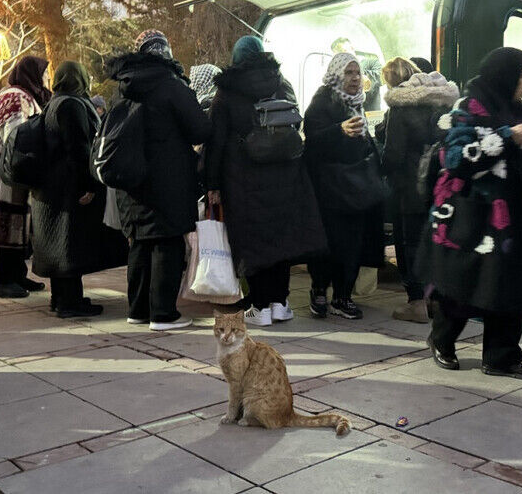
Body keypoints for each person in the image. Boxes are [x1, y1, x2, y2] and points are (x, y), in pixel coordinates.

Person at [418, 48, 522, 380]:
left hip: (511, 219)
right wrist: (506, 137)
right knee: (463, 286)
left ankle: (501, 358)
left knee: (508, 287)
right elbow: (455, 159)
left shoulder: (515, 107)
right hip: (471, 217)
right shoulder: (467, 107)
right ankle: (441, 340)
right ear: (504, 76)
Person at [206, 36, 327, 327]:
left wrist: (212, 183)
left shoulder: (227, 91)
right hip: (286, 174)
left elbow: (216, 141)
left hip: (243, 177)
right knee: (280, 238)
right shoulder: (280, 83)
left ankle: (260, 306)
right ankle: (280, 303)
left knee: (252, 239)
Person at [106, 30, 212, 331]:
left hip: (132, 182)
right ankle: (163, 314)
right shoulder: (170, 85)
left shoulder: (123, 87)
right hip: (169, 180)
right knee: (166, 242)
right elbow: (199, 130)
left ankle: (138, 310)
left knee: (140, 243)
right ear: (166, 52)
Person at [31, 61, 129, 318]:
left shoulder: (53, 103)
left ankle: (61, 298)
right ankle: (70, 303)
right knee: (69, 246)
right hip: (68, 189)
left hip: (51, 188)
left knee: (58, 246)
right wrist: (89, 185)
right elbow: (78, 149)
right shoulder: (71, 105)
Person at [304, 52, 387, 320]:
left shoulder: (358, 103)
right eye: (349, 73)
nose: (355, 79)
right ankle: (319, 290)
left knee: (352, 244)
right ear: (336, 75)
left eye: (357, 73)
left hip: (355, 188)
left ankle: (342, 296)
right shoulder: (322, 101)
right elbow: (313, 140)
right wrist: (339, 130)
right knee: (327, 243)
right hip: (330, 189)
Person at [380, 57, 459, 323]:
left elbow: (393, 155)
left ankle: (416, 302)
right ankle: (435, 299)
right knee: (435, 242)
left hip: (410, 187)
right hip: (440, 184)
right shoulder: (441, 100)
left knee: (410, 244)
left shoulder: (400, 107)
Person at [0, 56, 50, 298]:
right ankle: (3, 279)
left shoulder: (22, 95)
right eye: (41, 75)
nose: (44, 80)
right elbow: (16, 135)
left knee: (19, 222)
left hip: (12, 168)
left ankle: (17, 274)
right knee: (7, 222)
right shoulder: (14, 96)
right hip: (6, 169)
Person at [332, 37, 383, 112]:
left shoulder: (371, 63)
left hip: (371, 116)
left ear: (352, 49)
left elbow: (381, 77)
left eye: (344, 52)